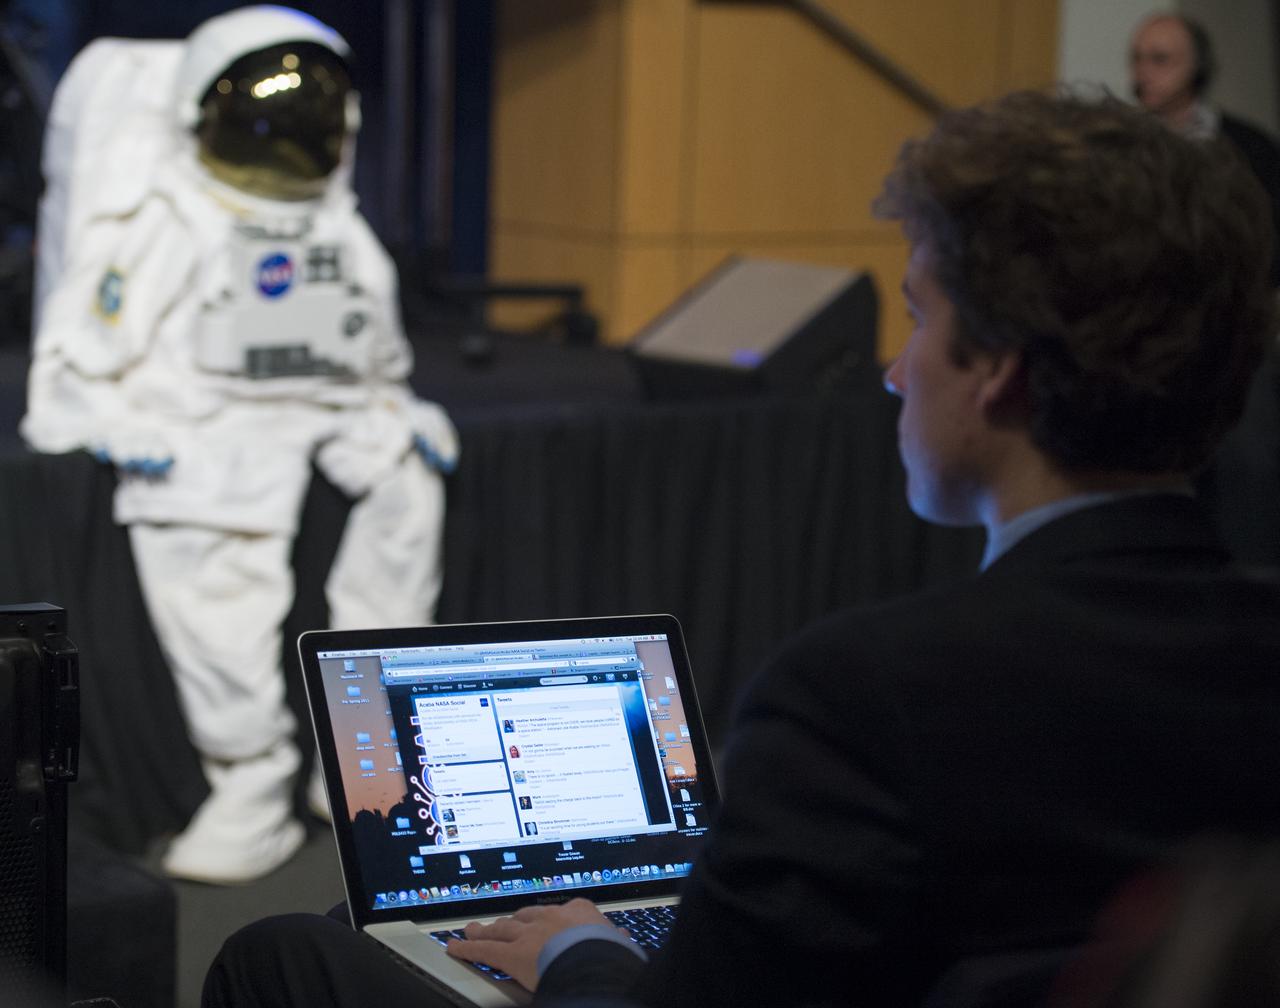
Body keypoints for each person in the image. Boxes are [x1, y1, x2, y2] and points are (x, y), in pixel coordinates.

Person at [202, 89, 1280, 1007]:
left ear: (994, 368)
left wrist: (582, 954)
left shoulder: (866, 696)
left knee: (282, 952)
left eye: (915, 318)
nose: (894, 372)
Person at [21, 6, 457, 884]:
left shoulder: (338, 225)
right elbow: (85, 350)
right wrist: (110, 421)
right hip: (206, 410)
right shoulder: (168, 219)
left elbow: (374, 349)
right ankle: (250, 772)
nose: (281, 143)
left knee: (407, 493)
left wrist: (394, 407)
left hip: (327, 400)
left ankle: (364, 762)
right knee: (210, 535)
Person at [1128, 11, 1280, 285]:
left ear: (1198, 66)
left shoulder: (1252, 147)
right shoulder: (1121, 143)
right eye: (1136, 58)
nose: (1143, 72)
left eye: (1160, 59)